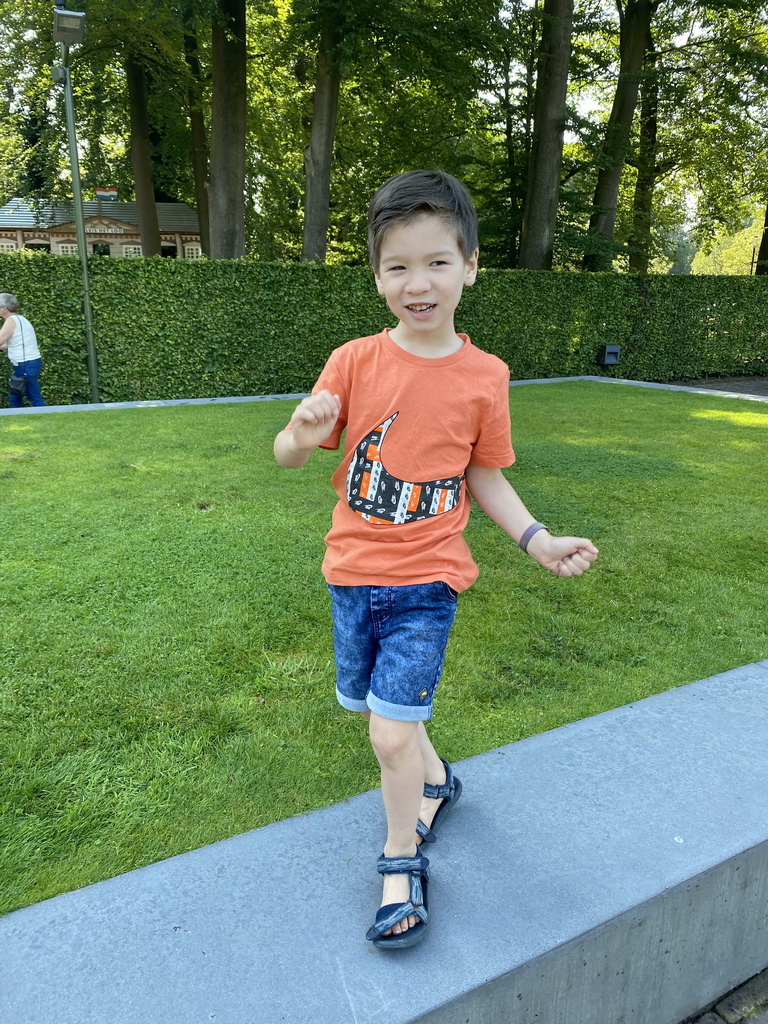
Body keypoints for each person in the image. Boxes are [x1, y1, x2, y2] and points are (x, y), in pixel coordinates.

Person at [273, 170, 598, 950]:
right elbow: (289, 456)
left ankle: (399, 864)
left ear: (472, 265)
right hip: (350, 576)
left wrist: (537, 539)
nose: (417, 283)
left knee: (388, 737)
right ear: (378, 275)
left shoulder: (485, 378)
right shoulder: (352, 361)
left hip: (427, 581)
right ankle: (440, 782)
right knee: (385, 719)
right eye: (397, 266)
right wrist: (301, 427)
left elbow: (484, 472)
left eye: (437, 263)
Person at [0, 293, 46, 408]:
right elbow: (11, 344)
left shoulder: (11, 320)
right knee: (15, 396)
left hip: (25, 365)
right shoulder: (21, 319)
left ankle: (48, 418)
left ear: (5, 309)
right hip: (27, 364)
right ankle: (17, 418)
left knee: (34, 398)